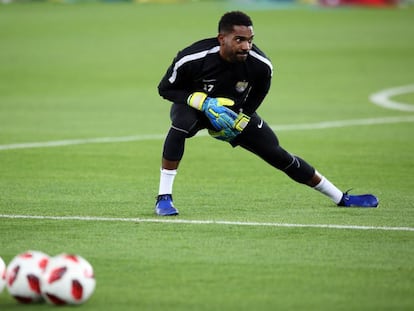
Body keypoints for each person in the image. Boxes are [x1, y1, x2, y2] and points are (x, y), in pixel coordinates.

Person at [155, 11, 378, 216]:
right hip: (194, 107)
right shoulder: (192, 57)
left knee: (278, 154)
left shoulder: (260, 65)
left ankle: (340, 197)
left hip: (235, 114)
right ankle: (164, 198)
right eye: (239, 40)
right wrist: (201, 101)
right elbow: (165, 88)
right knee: (180, 126)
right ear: (222, 39)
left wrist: (242, 117)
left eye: (250, 40)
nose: (246, 46)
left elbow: (260, 90)